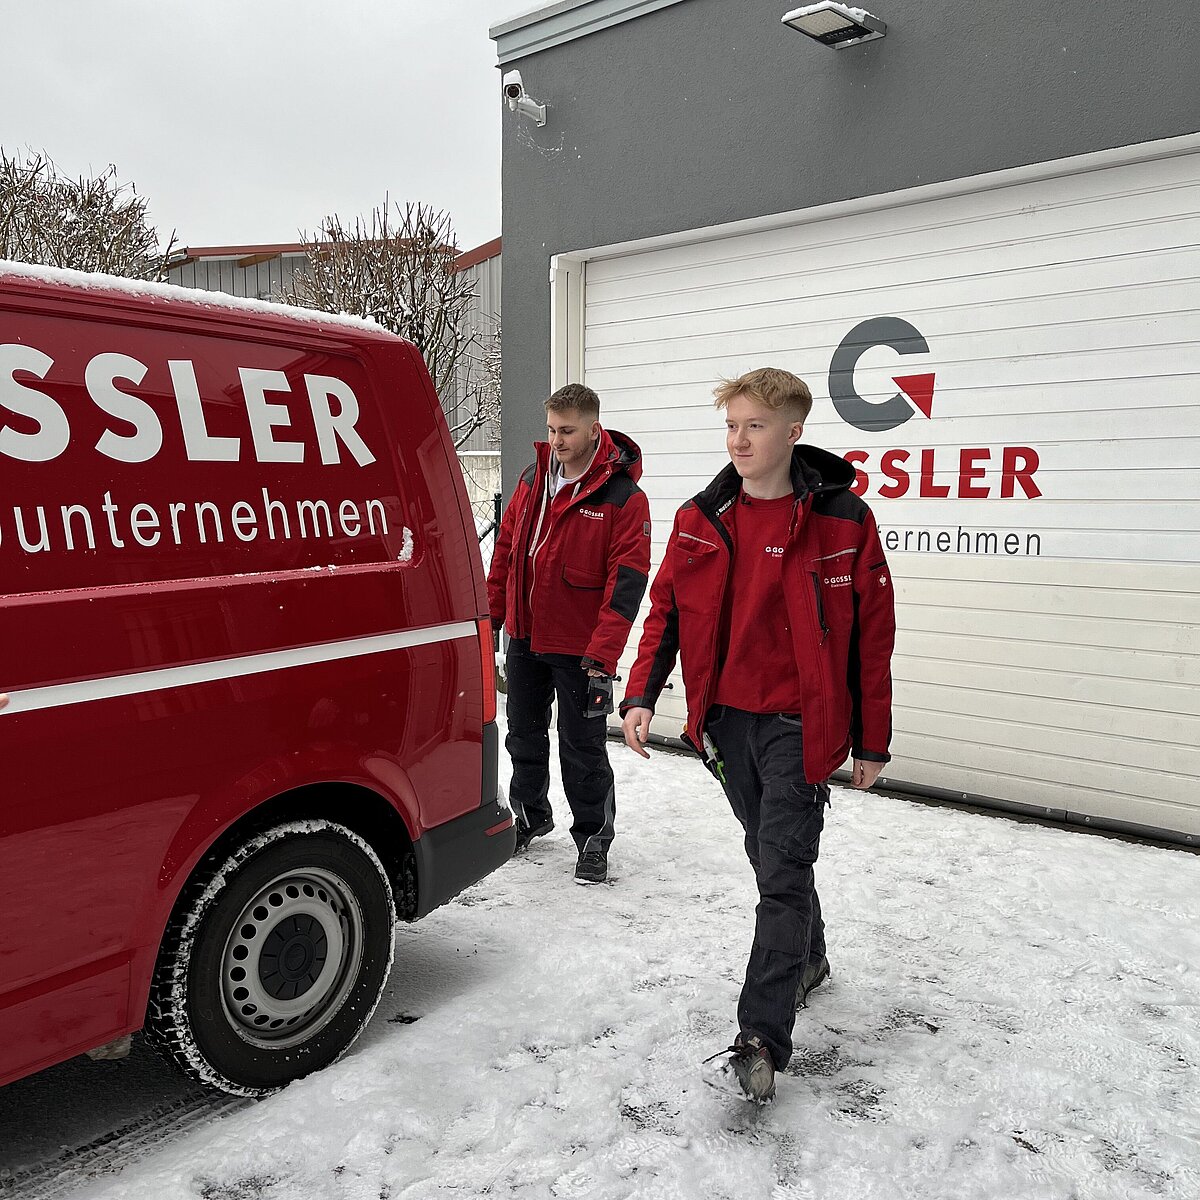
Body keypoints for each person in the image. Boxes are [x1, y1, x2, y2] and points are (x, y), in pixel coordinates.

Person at [620, 367, 895, 1100]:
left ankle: (761, 1037)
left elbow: (873, 638)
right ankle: (810, 958)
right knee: (772, 853)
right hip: (725, 723)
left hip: (798, 725)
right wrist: (642, 691)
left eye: (755, 426)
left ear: (793, 433)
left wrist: (871, 739)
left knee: (779, 873)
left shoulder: (843, 520)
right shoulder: (701, 517)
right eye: (732, 426)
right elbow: (667, 612)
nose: (739, 440)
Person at [488, 383, 651, 884]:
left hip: (582, 650)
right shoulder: (533, 479)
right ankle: (530, 816)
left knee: (582, 748)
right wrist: (492, 619)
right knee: (523, 737)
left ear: (594, 428)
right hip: (526, 638)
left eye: (567, 430)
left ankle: (593, 838)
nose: (556, 440)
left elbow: (626, 585)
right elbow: (508, 551)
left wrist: (603, 656)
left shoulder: (623, 497)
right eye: (551, 430)